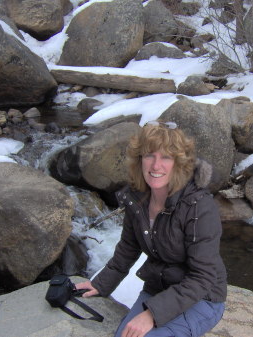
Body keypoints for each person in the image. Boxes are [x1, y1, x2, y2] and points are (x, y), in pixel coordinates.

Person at [76, 120, 227, 337]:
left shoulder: (198, 207)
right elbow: (128, 248)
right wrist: (100, 284)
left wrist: (152, 315)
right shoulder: (137, 197)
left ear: (179, 163)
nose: (156, 166)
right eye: (150, 155)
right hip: (157, 288)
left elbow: (202, 276)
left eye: (166, 157)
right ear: (140, 160)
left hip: (203, 297)